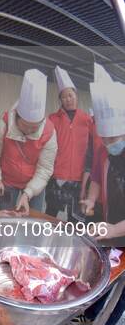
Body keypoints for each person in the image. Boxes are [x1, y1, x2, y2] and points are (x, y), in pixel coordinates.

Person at [77, 77, 125, 325]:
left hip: (119, 226)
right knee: (103, 274)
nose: (109, 142)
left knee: (122, 287)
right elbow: (96, 177)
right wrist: (92, 200)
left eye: (115, 137)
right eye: (104, 137)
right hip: (112, 226)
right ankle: (91, 314)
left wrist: (115, 228)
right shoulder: (104, 149)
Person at [0, 69, 57, 214]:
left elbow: (44, 169)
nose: (29, 131)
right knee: (5, 217)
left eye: (35, 128)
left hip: (34, 181)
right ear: (17, 117)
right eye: (25, 126)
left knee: (33, 218)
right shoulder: (3, 125)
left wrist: (28, 193)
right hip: (8, 180)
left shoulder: (49, 133)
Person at [45, 66, 93, 222]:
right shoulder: (52, 119)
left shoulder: (87, 120)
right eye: (64, 97)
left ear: (76, 96)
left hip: (79, 179)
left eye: (71, 95)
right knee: (50, 215)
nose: (68, 99)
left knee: (75, 220)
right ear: (60, 100)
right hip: (57, 177)